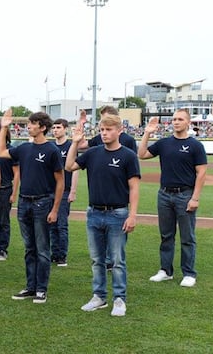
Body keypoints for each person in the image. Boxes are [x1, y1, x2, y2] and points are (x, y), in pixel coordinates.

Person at [66, 113, 140, 317]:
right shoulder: (93, 153)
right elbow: (69, 166)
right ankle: (99, 297)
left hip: (118, 214)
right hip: (94, 213)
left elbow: (134, 188)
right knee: (97, 260)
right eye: (102, 130)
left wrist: (132, 215)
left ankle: (119, 299)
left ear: (119, 131)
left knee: (117, 261)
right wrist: (74, 143)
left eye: (108, 130)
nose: (104, 133)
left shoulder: (128, 156)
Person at [0, 109, 63, 304]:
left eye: (33, 123)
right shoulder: (24, 148)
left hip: (43, 203)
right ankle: (30, 287)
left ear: (42, 127)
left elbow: (60, 182)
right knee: (29, 248)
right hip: (24, 203)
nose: (29, 126)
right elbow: (0, 152)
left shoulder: (52, 150)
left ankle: (41, 289)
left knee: (42, 249)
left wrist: (55, 209)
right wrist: (4, 127)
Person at [138, 110, 207, 288]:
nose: (176, 122)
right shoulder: (164, 143)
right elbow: (142, 154)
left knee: (187, 237)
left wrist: (195, 198)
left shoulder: (195, 146)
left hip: (185, 194)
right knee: (166, 235)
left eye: (180, 119)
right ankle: (165, 271)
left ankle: (189, 273)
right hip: (164, 194)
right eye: (174, 119)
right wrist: (147, 133)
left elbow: (201, 173)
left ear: (188, 122)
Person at [50, 118, 79, 267]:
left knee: (61, 224)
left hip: (65, 190)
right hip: (50, 190)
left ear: (65, 129)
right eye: (54, 127)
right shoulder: (50, 146)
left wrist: (73, 191)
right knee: (51, 224)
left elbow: (75, 170)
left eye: (58, 127)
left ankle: (62, 256)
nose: (55, 130)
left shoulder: (70, 146)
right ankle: (54, 253)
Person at [0, 123, 19, 262]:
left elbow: (17, 174)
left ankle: (3, 250)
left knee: (4, 221)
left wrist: (13, 193)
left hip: (6, 189)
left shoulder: (11, 151)